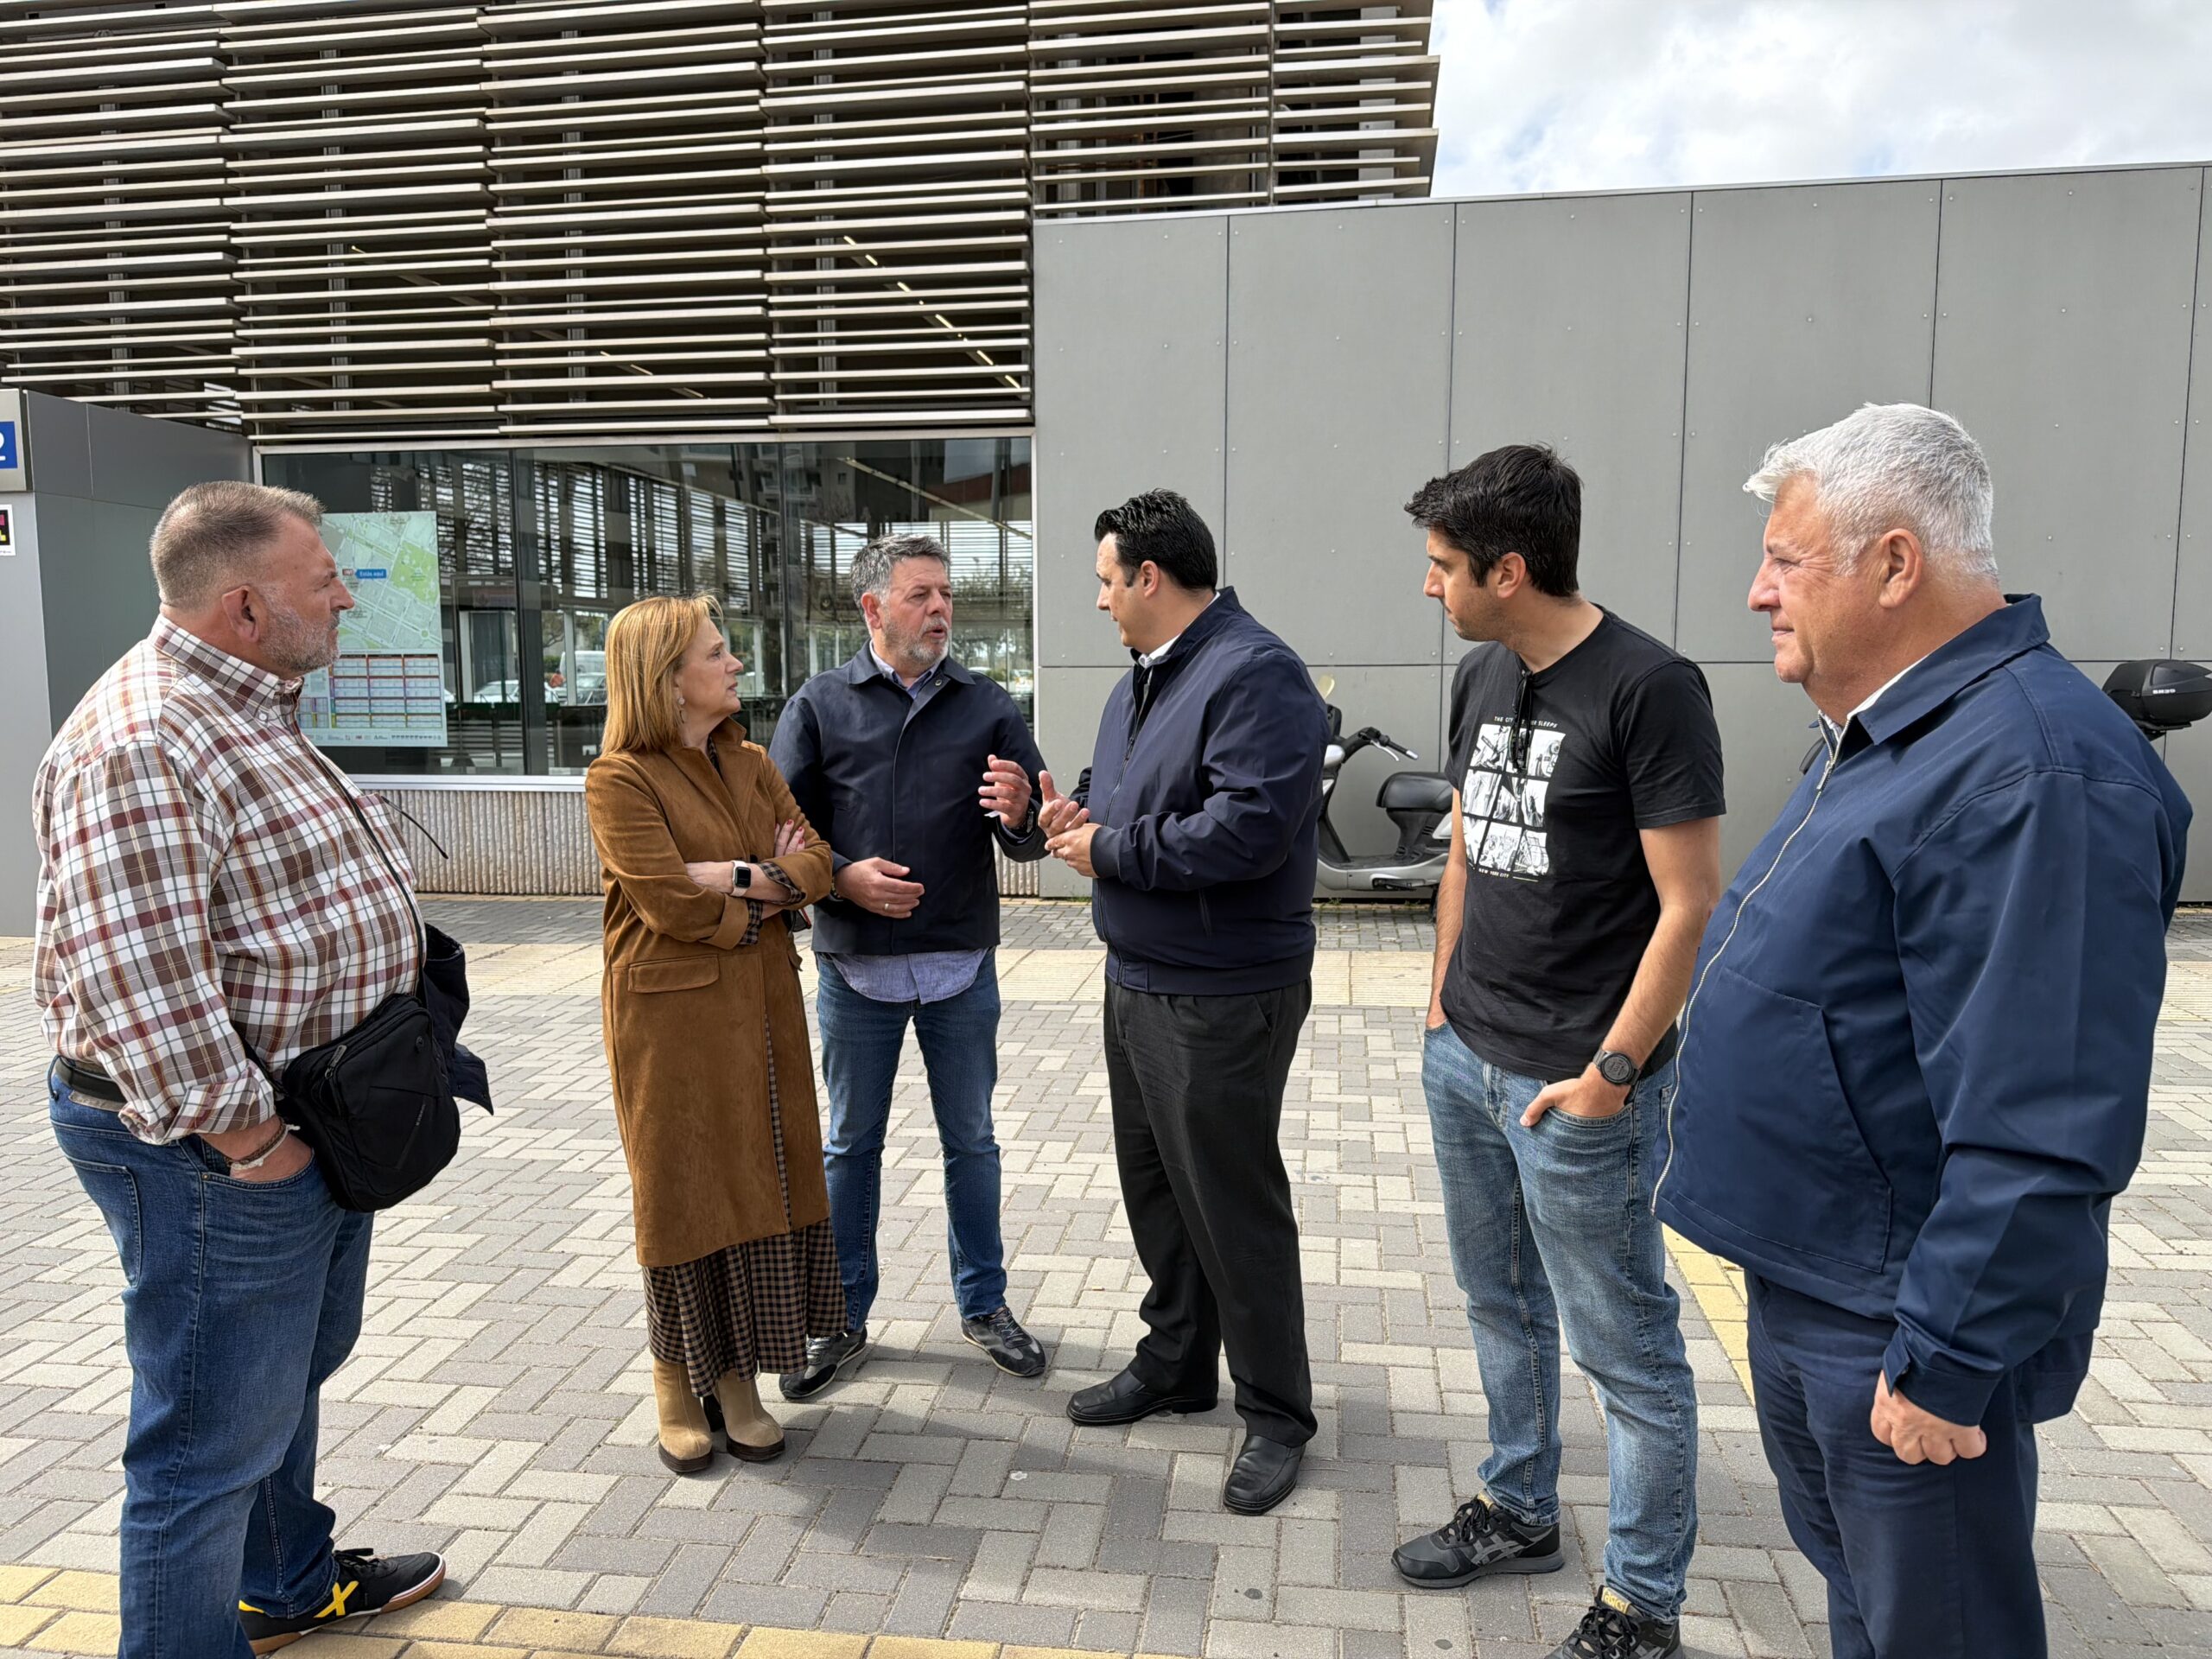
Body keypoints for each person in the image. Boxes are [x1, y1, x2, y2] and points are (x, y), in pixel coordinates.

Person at [1657, 404, 2190, 1659]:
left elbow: (2043, 1112)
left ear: (1895, 564)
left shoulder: (2034, 773)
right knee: (1869, 1605)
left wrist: (1948, 1358)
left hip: (1898, 1320)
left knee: (1939, 1629)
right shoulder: (1902, 730)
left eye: (1785, 562)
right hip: (1821, 1282)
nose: (1757, 594)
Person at [34, 481, 445, 1657]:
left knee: (281, 1378)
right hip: (217, 1150)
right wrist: (255, 1147)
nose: (347, 596)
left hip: (300, 1118)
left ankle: (284, 1583)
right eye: (326, 578)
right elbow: (142, 984)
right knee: (203, 1446)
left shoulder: (248, 705)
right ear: (247, 606)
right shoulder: (146, 739)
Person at [1390, 447, 1721, 1659]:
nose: (1429, 586)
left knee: (1627, 1352)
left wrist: (1614, 1075)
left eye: (1444, 566)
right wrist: (1442, 996)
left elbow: (1689, 903)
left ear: (1509, 570)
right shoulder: (1482, 672)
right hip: (1467, 1055)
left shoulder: (1650, 688)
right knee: (1499, 1302)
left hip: (1578, 1088)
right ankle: (1520, 1508)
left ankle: (1643, 1605)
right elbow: (1467, 845)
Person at [1041, 488, 1326, 1516]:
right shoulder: (1145, 679)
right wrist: (1065, 815)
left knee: (1232, 1204)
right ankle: (1175, 1363)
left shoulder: (1254, 674)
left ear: (1149, 577)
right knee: (1159, 1190)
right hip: (1138, 977)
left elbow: (1247, 829)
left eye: (1106, 581)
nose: (1101, 601)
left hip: (1221, 991)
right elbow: (1122, 797)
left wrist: (1110, 849)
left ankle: (1277, 1413)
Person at [769, 533, 1052, 1398]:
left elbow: (1033, 834)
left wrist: (1021, 814)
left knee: (974, 1143)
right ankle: (840, 1316)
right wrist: (842, 878)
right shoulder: (819, 705)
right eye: (920, 595)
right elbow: (777, 834)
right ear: (874, 608)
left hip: (961, 968)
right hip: (857, 972)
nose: (939, 610)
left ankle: (985, 1305)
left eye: (945, 595)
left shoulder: (987, 704)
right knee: (850, 1146)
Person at [585, 595, 841, 1473]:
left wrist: (735, 874)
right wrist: (766, 894)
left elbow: (818, 864)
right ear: (666, 679)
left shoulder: (752, 761)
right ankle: (673, 1373)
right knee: (682, 1189)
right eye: (717, 652)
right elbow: (667, 902)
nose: (735, 664)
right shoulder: (618, 778)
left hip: (764, 1008)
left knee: (758, 1176)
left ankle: (736, 1378)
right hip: (669, 1021)